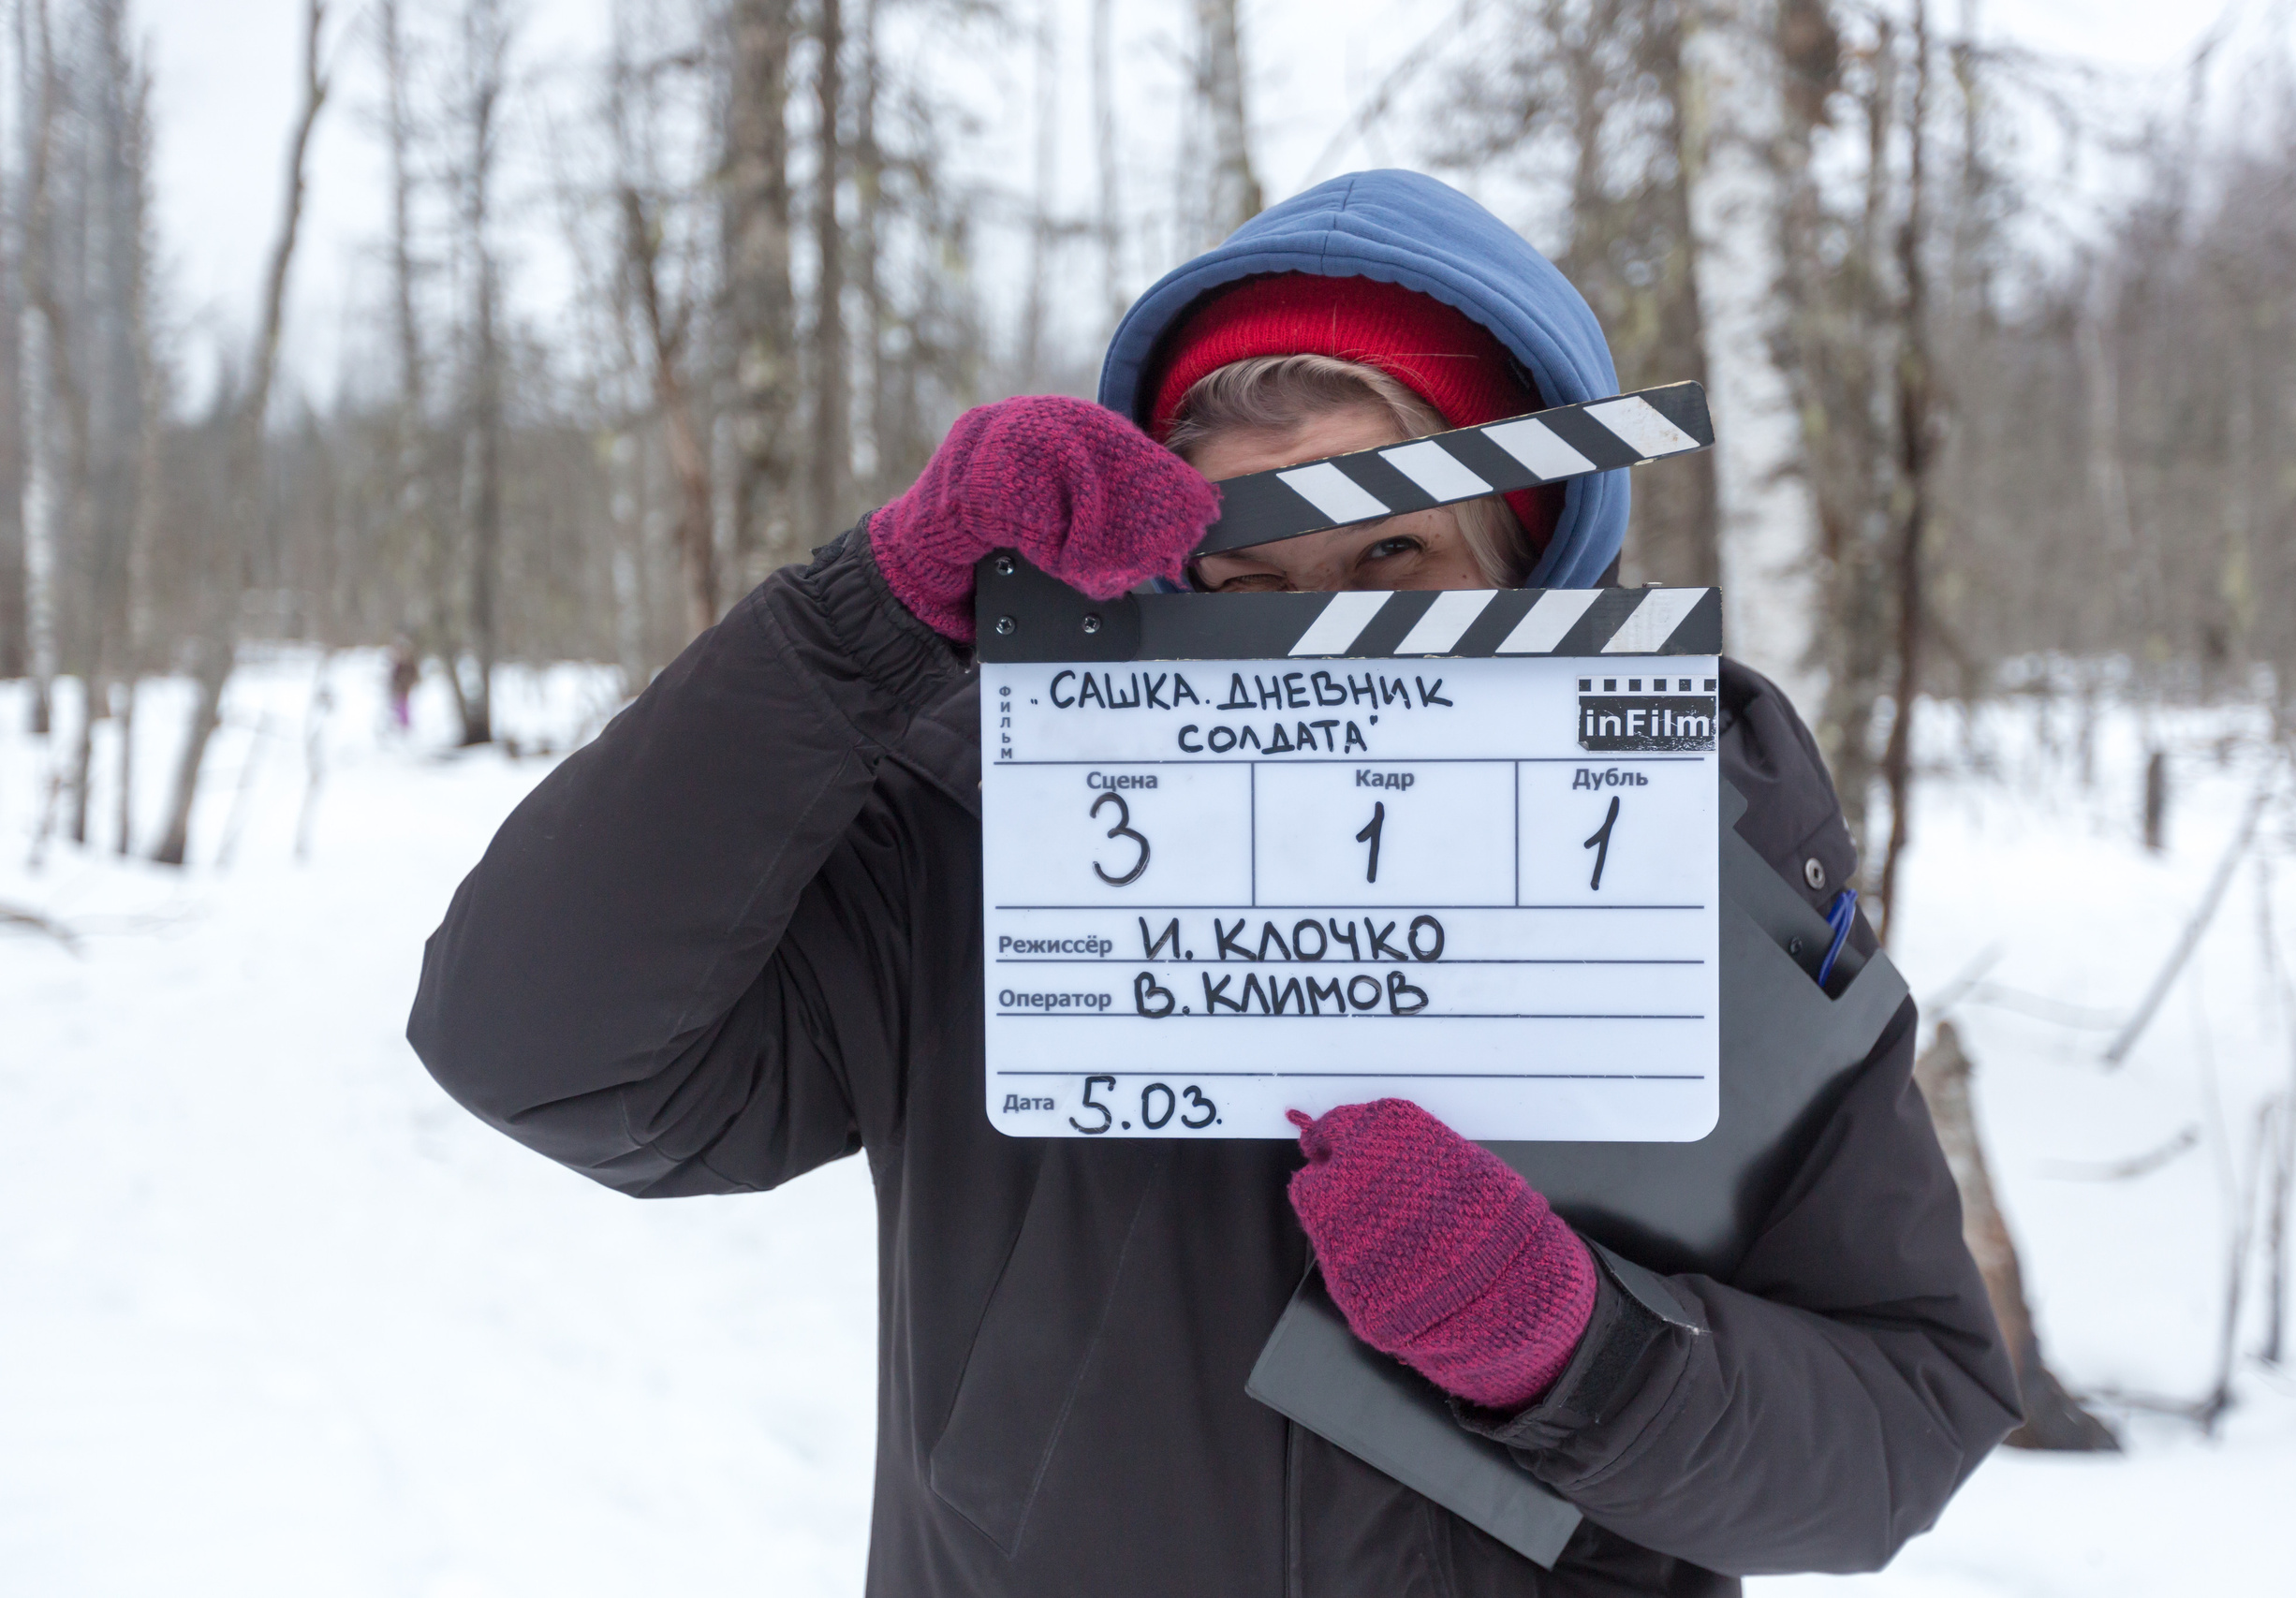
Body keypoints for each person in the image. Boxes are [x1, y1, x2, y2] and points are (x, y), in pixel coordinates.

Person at [409, 170, 2020, 1596]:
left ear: (1539, 572)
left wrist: (1578, 1355)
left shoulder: (1697, 862)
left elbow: (1906, 1417)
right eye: (1248, 587)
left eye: (1396, 559)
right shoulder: (980, 830)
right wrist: (863, 620)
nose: (1321, 642)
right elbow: (543, 1049)